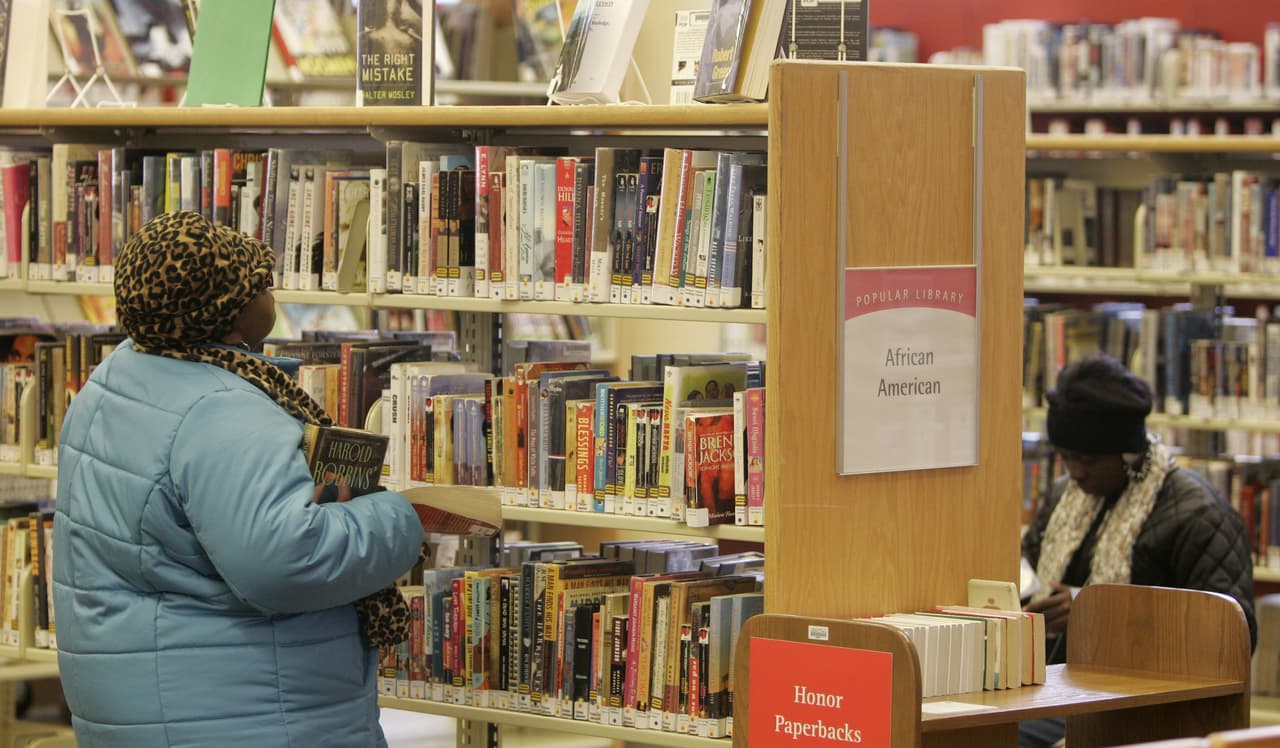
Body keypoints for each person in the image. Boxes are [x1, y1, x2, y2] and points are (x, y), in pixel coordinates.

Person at [53, 211, 424, 747]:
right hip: (246, 714)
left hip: (155, 704)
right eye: (261, 286)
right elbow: (284, 563)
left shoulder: (114, 381)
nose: (272, 297)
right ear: (224, 310)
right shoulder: (222, 412)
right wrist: (402, 517)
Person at [1019, 354, 1256, 748]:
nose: (1075, 472)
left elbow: (1232, 638)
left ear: (1129, 455)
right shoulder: (1066, 498)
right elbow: (1027, 566)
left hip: (1142, 702)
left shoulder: (1198, 515)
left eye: (1089, 459)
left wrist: (1100, 615)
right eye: (1067, 457)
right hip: (1058, 683)